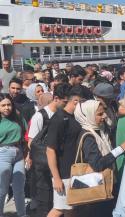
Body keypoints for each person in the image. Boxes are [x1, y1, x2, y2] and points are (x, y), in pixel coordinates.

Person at [74, 100, 125, 217]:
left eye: (103, 113)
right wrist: (120, 149)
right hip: (95, 192)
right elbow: (97, 164)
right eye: (99, 114)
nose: (104, 116)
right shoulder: (88, 136)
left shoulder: (100, 131)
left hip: (105, 188)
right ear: (89, 115)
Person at [27, 83, 71, 217]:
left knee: (60, 203)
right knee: (45, 203)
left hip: (60, 166)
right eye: (64, 101)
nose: (66, 104)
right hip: (44, 169)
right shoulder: (40, 116)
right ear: (56, 98)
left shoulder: (64, 113)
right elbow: (31, 143)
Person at [45, 86, 83, 217]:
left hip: (73, 171)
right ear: (75, 101)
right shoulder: (59, 118)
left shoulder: (74, 117)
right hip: (63, 173)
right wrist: (56, 178)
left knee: (70, 209)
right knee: (59, 209)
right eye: (81, 102)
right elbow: (50, 150)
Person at [0, 93, 28, 217]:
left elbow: (26, 136)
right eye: (3, 105)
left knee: (19, 189)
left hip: (19, 153)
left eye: (9, 104)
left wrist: (27, 154)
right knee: (2, 190)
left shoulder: (18, 117)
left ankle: (22, 214)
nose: (7, 108)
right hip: (3, 154)